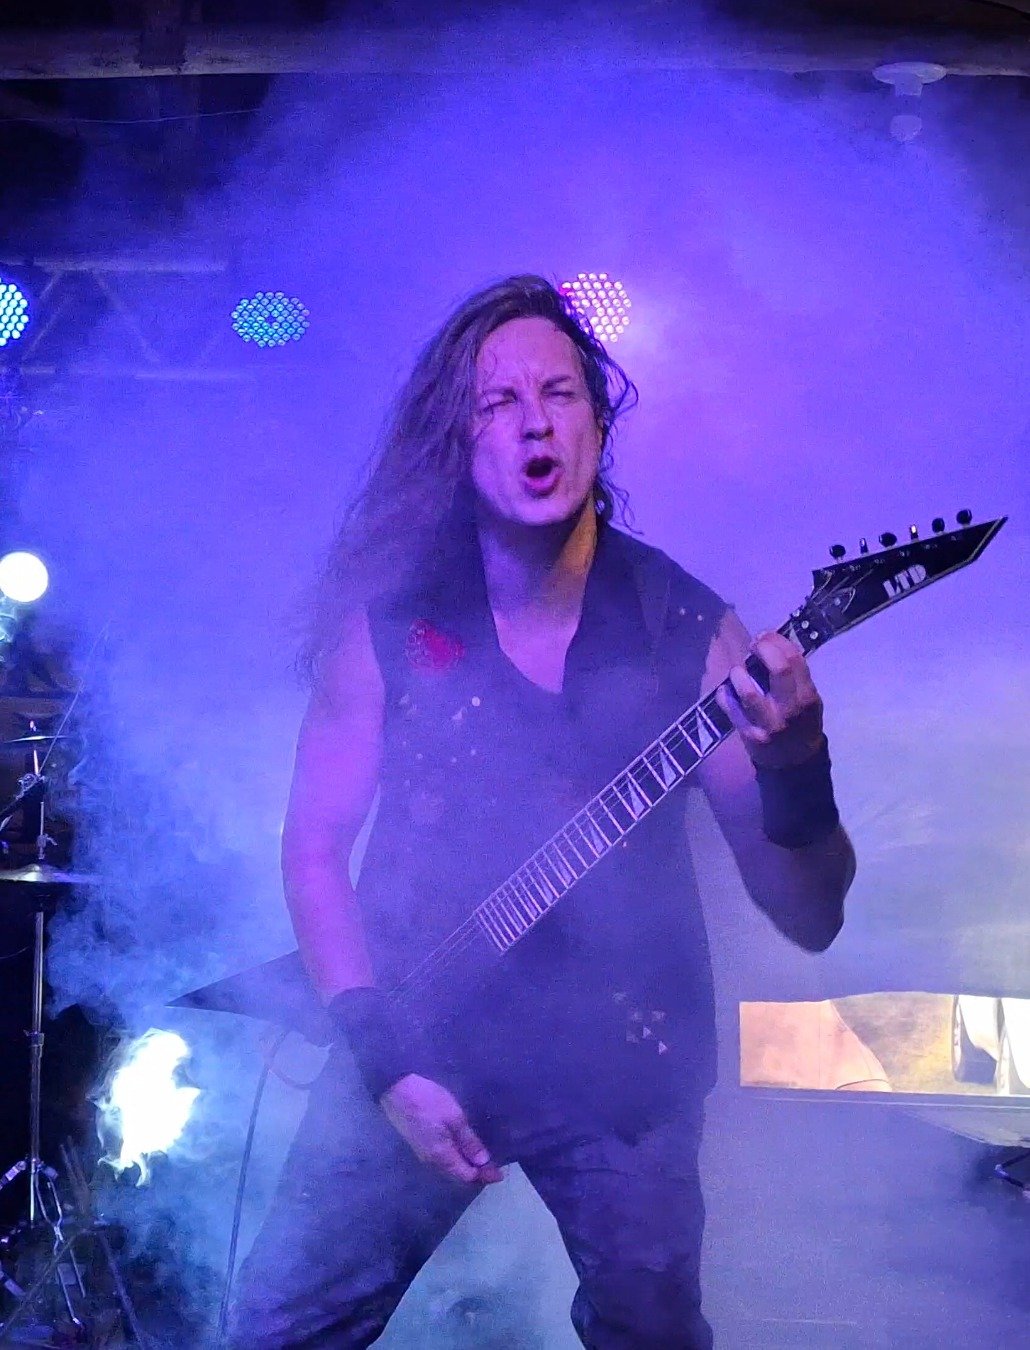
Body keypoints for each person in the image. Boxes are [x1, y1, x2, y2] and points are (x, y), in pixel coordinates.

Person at [228, 275, 855, 1349]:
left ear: (598, 426)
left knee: (652, 1334)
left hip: (624, 1059)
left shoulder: (686, 628)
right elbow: (315, 848)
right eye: (498, 401)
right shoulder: (389, 631)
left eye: (560, 394)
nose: (533, 422)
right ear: (456, 439)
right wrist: (383, 1061)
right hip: (417, 1029)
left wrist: (799, 762)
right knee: (278, 1327)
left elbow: (809, 916)